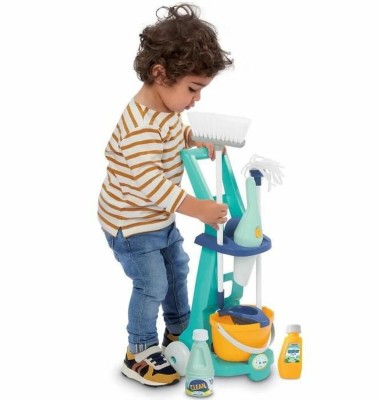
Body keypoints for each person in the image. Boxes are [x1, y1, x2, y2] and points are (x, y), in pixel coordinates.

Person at [98, 3, 232, 387]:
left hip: (158, 218)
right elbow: (150, 182)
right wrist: (197, 208)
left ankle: (179, 332)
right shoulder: (140, 126)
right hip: (131, 224)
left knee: (177, 270)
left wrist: (194, 138)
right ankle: (139, 351)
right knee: (152, 284)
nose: (196, 100)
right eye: (193, 89)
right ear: (160, 74)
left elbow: (172, 137)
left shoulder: (166, 112)